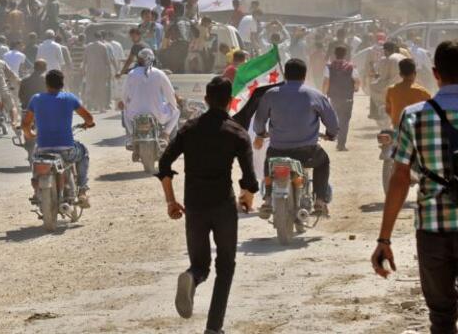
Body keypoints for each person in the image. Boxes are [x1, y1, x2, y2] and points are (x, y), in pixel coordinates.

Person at [157, 76, 258, 330]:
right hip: (223, 205)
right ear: (230, 101)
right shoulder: (237, 132)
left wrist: (171, 200)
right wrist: (247, 196)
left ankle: (192, 277)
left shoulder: (189, 128)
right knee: (226, 267)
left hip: (194, 205)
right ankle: (214, 327)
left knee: (201, 264)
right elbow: (249, 177)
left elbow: (164, 163)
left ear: (205, 100)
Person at [371, 41, 458, 334]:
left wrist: (384, 239)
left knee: (442, 316)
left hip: (433, 230)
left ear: (435, 73)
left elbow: (399, 179)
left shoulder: (415, 115)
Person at [253, 59, 339, 217]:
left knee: (269, 161)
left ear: (285, 74)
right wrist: (331, 135)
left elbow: (259, 121)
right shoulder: (315, 95)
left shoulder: (271, 94)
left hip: (277, 151)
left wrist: (260, 133)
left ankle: (267, 200)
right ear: (304, 75)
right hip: (307, 153)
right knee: (323, 162)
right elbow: (332, 123)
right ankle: (320, 201)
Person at [22, 69, 95, 206]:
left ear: (46, 84)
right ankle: (82, 191)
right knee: (83, 152)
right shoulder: (69, 98)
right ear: (62, 83)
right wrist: (88, 124)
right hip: (66, 150)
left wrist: (31, 134)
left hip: (43, 149)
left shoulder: (36, 99)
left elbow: (26, 124)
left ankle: (37, 190)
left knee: (35, 163)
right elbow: (89, 118)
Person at [122, 48, 180, 160]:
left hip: (135, 114)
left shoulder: (131, 74)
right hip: (157, 114)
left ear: (138, 60)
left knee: (125, 111)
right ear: (153, 60)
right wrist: (173, 105)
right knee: (176, 112)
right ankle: (165, 134)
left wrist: (127, 103)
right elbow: (170, 95)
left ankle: (131, 136)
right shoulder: (160, 74)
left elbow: (124, 95)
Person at [322, 45, 360, 151]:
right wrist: (355, 89)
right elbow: (357, 81)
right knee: (345, 120)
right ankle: (341, 144)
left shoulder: (329, 66)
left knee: (336, 117)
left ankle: (337, 136)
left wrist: (323, 94)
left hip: (334, 97)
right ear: (346, 54)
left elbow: (326, 82)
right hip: (347, 97)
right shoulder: (351, 67)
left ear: (335, 55)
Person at [385, 58, 432, 129]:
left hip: (397, 127)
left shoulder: (391, 90)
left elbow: (388, 110)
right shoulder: (423, 92)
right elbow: (429, 113)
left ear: (400, 74)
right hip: (416, 129)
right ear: (415, 73)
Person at [82, 31, 113, 112]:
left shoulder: (88, 46)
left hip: (90, 70)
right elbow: (107, 61)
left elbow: (84, 60)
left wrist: (83, 70)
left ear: (93, 37)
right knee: (101, 88)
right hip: (101, 70)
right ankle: (101, 107)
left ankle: (88, 105)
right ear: (101, 38)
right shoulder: (103, 46)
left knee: (90, 87)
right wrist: (109, 71)